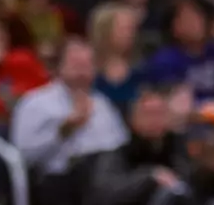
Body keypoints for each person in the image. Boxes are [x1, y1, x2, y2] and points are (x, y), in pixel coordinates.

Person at [8, 37, 128, 175]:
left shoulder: (103, 104)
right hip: (58, 179)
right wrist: (61, 132)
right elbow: (22, 156)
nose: (82, 71)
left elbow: (119, 146)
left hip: (104, 177)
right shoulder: (35, 103)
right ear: (59, 66)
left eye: (87, 65)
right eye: (76, 64)